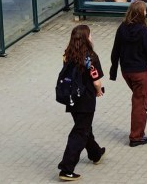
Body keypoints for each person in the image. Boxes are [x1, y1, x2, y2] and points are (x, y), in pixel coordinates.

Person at [109, 0, 147, 147]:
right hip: (140, 72)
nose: (146, 13)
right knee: (140, 103)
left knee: (137, 98)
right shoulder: (143, 31)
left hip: (126, 71)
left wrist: (113, 71)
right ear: (140, 13)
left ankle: (137, 132)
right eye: (145, 11)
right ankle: (136, 136)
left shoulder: (122, 28)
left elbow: (115, 51)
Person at [57, 25, 105, 181]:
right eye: (90, 35)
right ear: (86, 38)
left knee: (84, 127)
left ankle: (95, 153)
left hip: (71, 99)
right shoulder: (91, 57)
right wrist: (98, 91)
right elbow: (96, 81)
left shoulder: (67, 54)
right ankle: (66, 169)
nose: (92, 37)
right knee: (80, 132)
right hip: (86, 100)